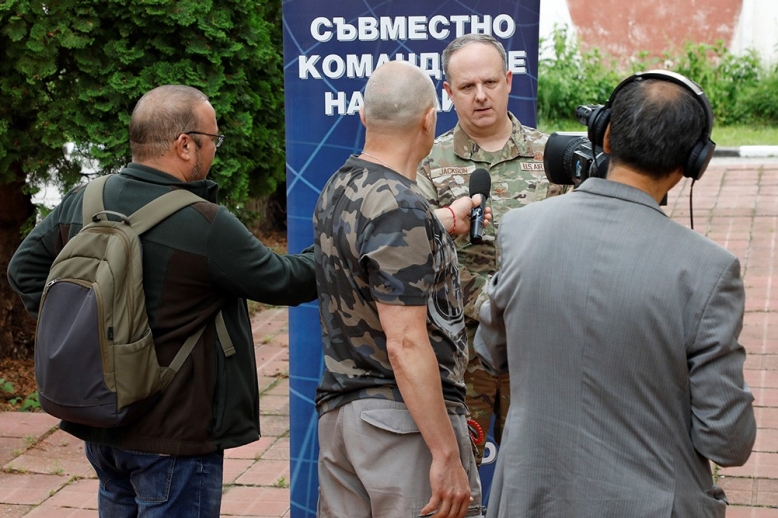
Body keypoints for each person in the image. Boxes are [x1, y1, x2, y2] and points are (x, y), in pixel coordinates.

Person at [7, 85, 318, 517]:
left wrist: (84, 334)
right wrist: (338, 247)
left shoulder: (86, 199)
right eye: (213, 141)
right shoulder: (204, 223)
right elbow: (285, 282)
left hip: (103, 423)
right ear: (185, 145)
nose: (215, 152)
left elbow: (23, 269)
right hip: (176, 435)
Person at [475, 71, 757, 517]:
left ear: (604, 134)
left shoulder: (521, 229)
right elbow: (727, 440)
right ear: (692, 162)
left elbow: (489, 347)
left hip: (529, 500)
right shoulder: (708, 270)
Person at [313, 60, 487, 518]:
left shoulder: (339, 186)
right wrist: (446, 454)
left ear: (365, 117)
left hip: (343, 420)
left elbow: (380, 250)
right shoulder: (401, 208)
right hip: (400, 426)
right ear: (430, 120)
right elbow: (406, 342)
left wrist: (444, 221)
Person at [416, 33, 568, 462]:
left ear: (509, 81)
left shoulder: (552, 157)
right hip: (462, 355)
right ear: (448, 92)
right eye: (466, 87)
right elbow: (419, 260)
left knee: (545, 475)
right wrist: (492, 303)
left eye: (490, 83)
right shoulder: (427, 161)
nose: (480, 96)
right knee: (456, 477)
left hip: (537, 352)